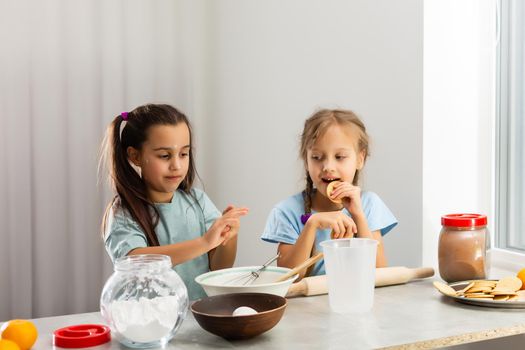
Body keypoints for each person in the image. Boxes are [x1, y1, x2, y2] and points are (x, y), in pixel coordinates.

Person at [100, 103, 248, 300]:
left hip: (196, 317)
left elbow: (218, 267)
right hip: (148, 323)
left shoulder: (198, 201)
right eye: (164, 156)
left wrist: (227, 236)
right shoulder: (122, 211)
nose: (176, 165)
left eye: (184, 154)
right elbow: (136, 262)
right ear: (135, 156)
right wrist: (204, 242)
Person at [261, 109, 397, 279]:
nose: (328, 167)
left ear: (360, 159)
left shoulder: (369, 204)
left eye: (339, 157)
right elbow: (288, 278)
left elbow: (379, 272)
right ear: (306, 160)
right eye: (317, 157)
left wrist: (358, 215)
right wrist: (312, 224)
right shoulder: (287, 211)